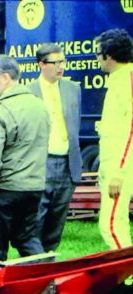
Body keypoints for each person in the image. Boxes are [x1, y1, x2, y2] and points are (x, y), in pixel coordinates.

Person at [0, 55, 49, 274]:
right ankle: (46, 283)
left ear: (6, 77)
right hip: (33, 187)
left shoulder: (0, 110)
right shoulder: (39, 105)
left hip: (3, 190)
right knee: (28, 239)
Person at [28, 43, 82, 252]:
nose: (61, 66)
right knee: (37, 218)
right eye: (55, 62)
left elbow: (74, 125)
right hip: (41, 164)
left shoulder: (72, 89)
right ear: (41, 64)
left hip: (67, 163)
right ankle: (35, 263)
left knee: (57, 220)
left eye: (63, 61)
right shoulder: (28, 92)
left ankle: (50, 262)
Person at [95, 28, 133, 249]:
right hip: (115, 165)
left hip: (122, 168)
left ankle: (128, 275)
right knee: (117, 223)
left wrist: (118, 172)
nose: (97, 58)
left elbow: (130, 130)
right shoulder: (119, 79)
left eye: (98, 54)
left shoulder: (126, 81)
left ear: (108, 56)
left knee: (109, 225)